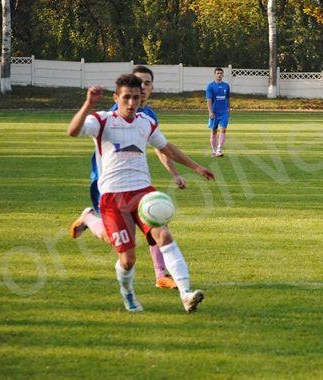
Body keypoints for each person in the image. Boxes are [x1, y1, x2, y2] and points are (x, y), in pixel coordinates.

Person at [68, 74, 215, 313]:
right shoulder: (102, 120)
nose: (131, 103)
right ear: (116, 98)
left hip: (143, 193)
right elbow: (73, 131)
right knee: (128, 260)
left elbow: (166, 148)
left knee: (164, 236)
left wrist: (196, 167)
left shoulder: (145, 122)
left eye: (136, 97)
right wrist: (89, 103)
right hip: (113, 197)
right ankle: (127, 291)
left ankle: (186, 294)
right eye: (126, 97)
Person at [69, 66, 184, 290]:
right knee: (112, 235)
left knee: (155, 216)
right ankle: (89, 218)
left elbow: (161, 147)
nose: (142, 88)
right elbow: (80, 131)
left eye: (146, 84)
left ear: (151, 87)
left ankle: (161, 274)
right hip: (107, 184)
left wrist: (175, 173)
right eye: (139, 83)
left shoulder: (147, 115)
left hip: (135, 184)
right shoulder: (116, 112)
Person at [206, 67, 231, 157]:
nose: (219, 75)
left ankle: (219, 150)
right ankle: (214, 151)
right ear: (214, 75)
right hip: (214, 112)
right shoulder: (210, 86)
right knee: (214, 131)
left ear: (223, 75)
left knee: (223, 130)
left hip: (224, 112)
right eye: (217, 73)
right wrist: (210, 112)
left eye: (221, 73)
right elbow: (209, 100)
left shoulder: (226, 86)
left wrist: (229, 109)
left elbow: (228, 98)